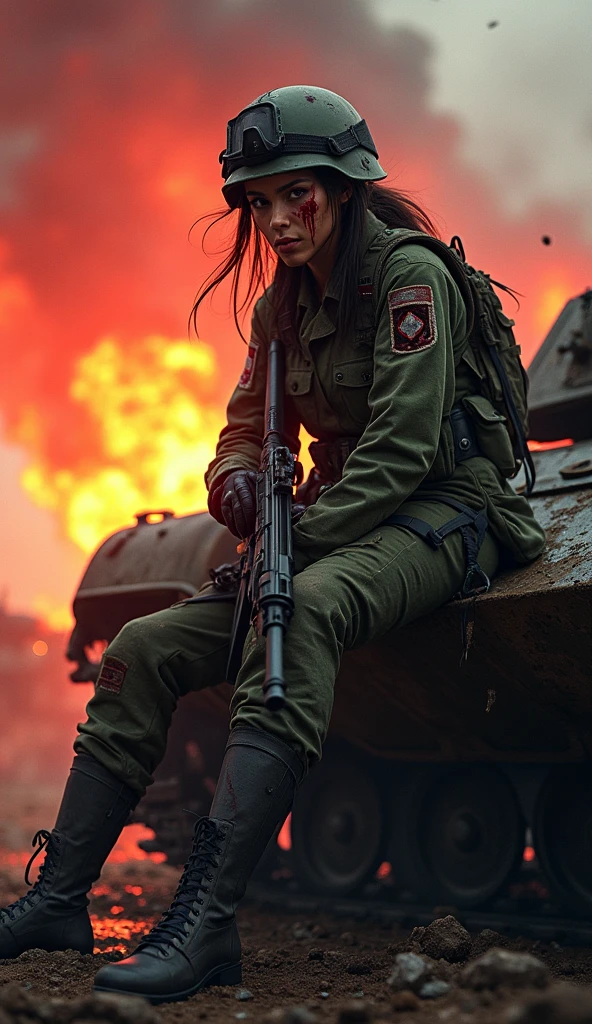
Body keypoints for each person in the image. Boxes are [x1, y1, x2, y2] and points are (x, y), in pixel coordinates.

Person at [0, 86, 545, 1003]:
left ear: (343, 188)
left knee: (307, 609)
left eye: (296, 195)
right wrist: (238, 485)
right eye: (259, 202)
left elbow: (405, 452)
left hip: (447, 513)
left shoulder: (409, 280)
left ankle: (206, 924)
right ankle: (58, 900)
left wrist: (292, 549)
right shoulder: (278, 310)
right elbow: (244, 431)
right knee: (144, 647)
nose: (277, 219)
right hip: (336, 521)